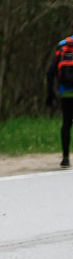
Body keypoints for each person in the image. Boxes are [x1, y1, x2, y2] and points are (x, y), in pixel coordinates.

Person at [51, 32, 73, 168]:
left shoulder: (62, 45)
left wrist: (50, 93)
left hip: (65, 92)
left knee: (66, 123)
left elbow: (50, 71)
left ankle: (65, 158)